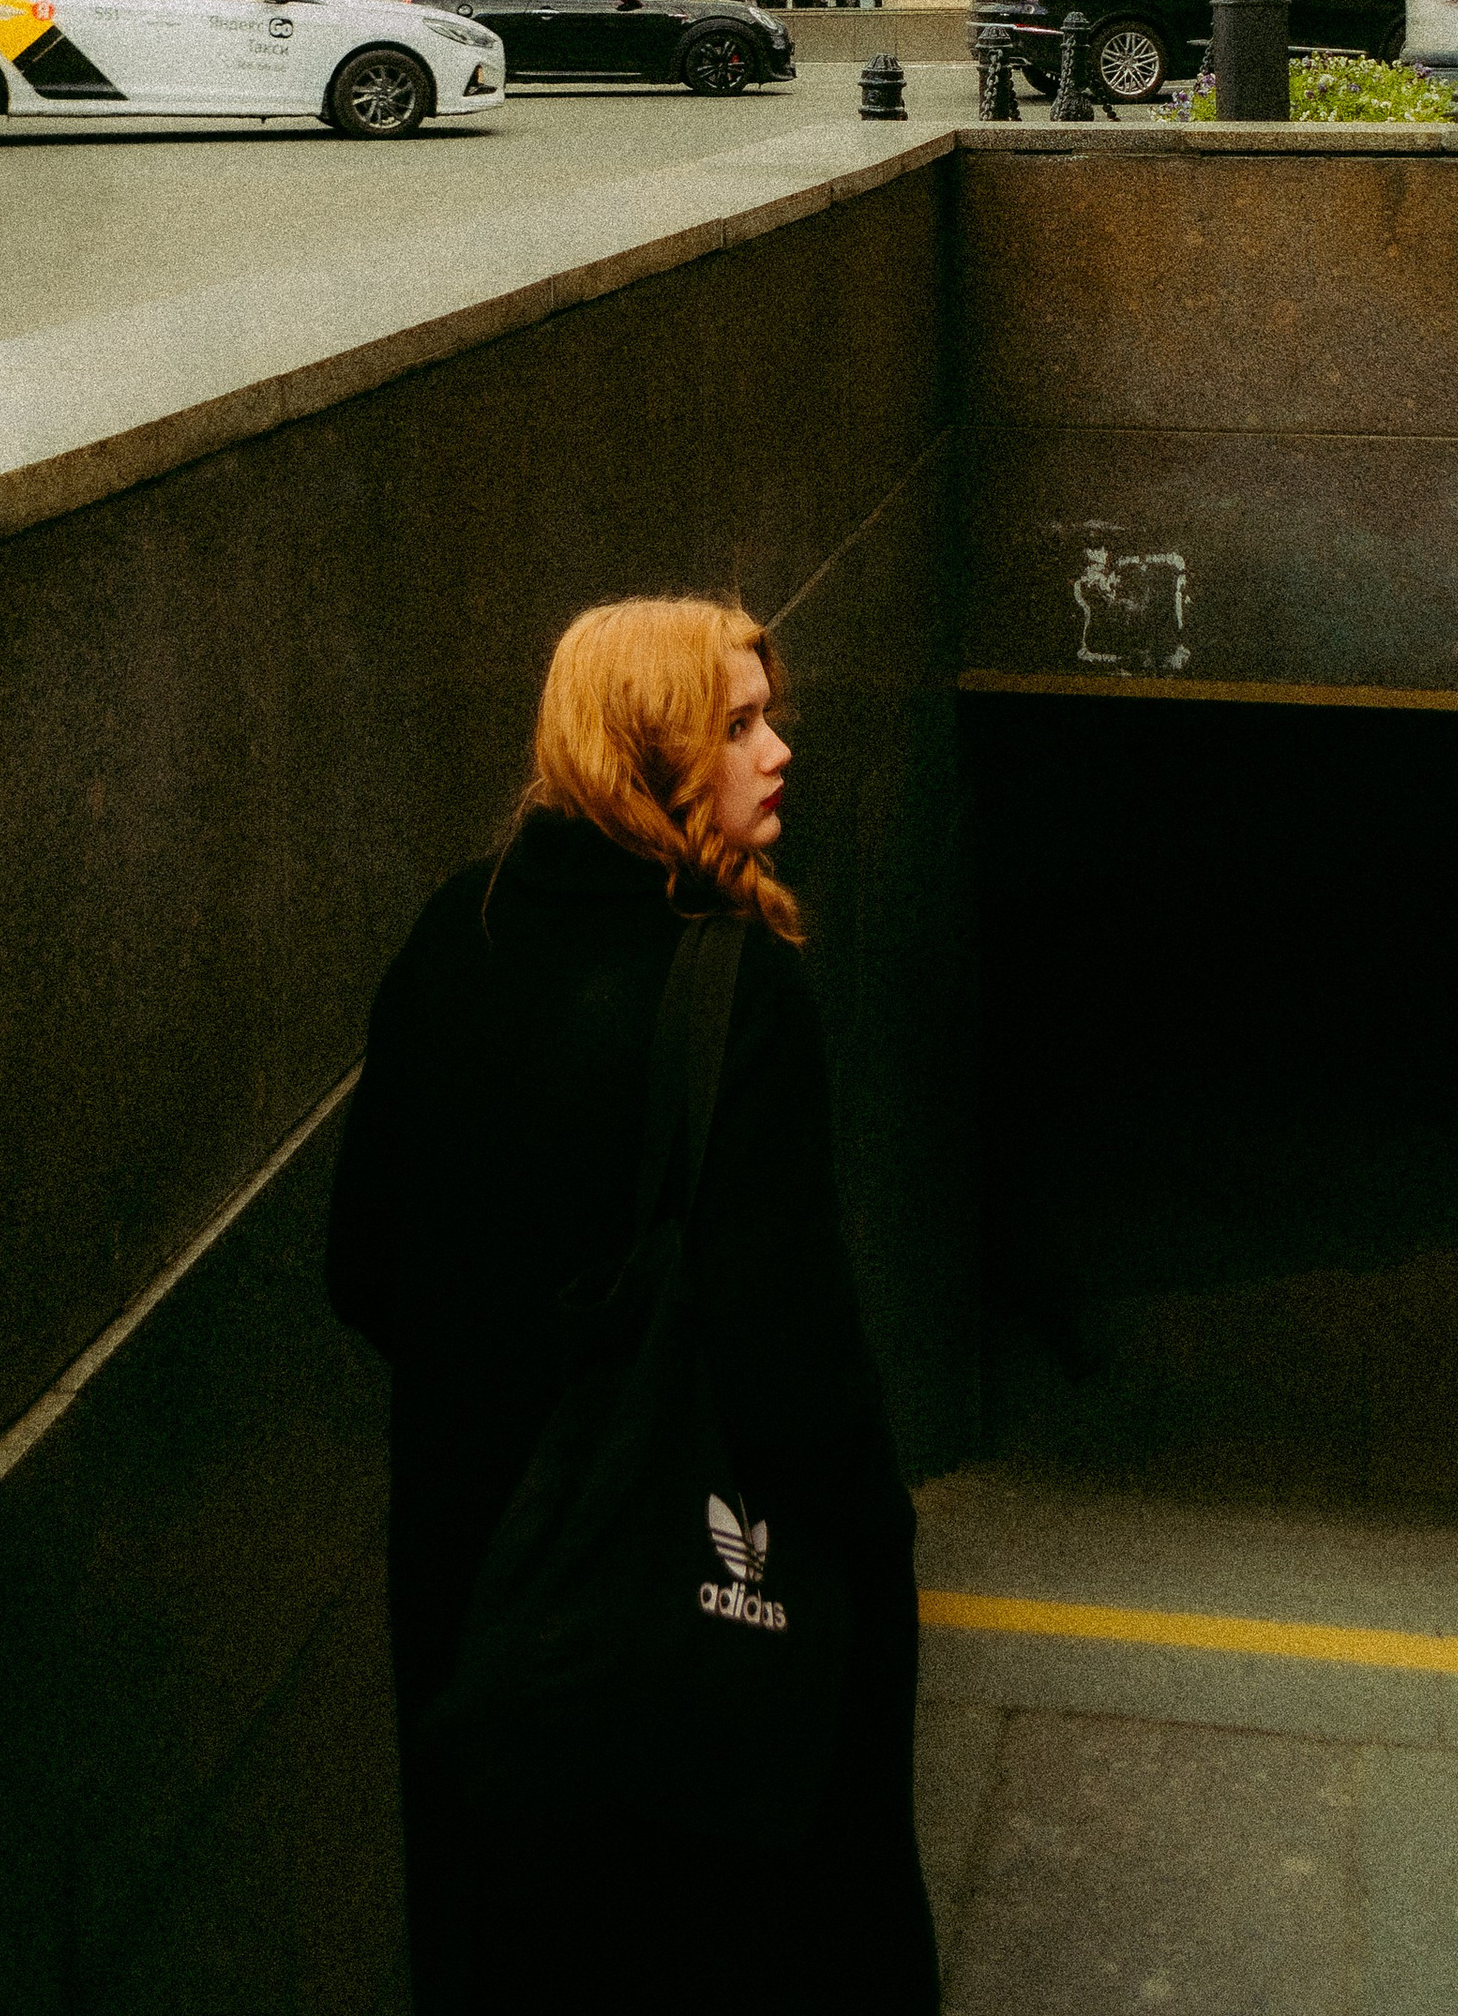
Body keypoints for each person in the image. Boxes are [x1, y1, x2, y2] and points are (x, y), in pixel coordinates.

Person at [328, 596, 939, 2015]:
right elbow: (788, 1354)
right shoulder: (731, 982)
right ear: (649, 748)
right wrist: (872, 1537)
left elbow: (359, 1262)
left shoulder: (447, 934)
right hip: (671, 1610)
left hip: (477, 1587)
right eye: (736, 723)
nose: (778, 749)